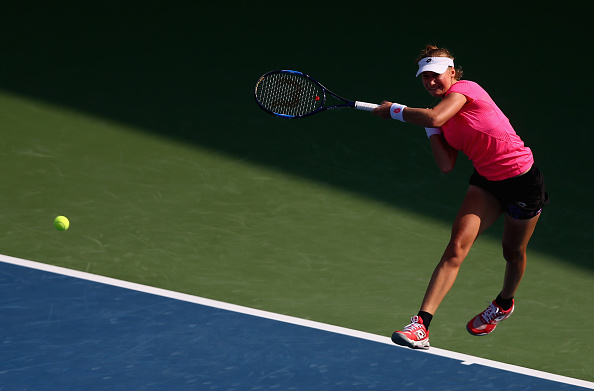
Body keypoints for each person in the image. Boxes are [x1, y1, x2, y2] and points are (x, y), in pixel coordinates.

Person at [372, 45, 548, 349]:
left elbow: (433, 117)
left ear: (452, 72)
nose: (430, 82)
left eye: (435, 75)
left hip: (522, 181)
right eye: (424, 77)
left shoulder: (467, 89)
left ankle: (504, 304)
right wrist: (430, 130)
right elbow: (446, 164)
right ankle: (421, 327)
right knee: (456, 246)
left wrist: (396, 112)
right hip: (487, 182)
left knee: (512, 252)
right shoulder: (440, 118)